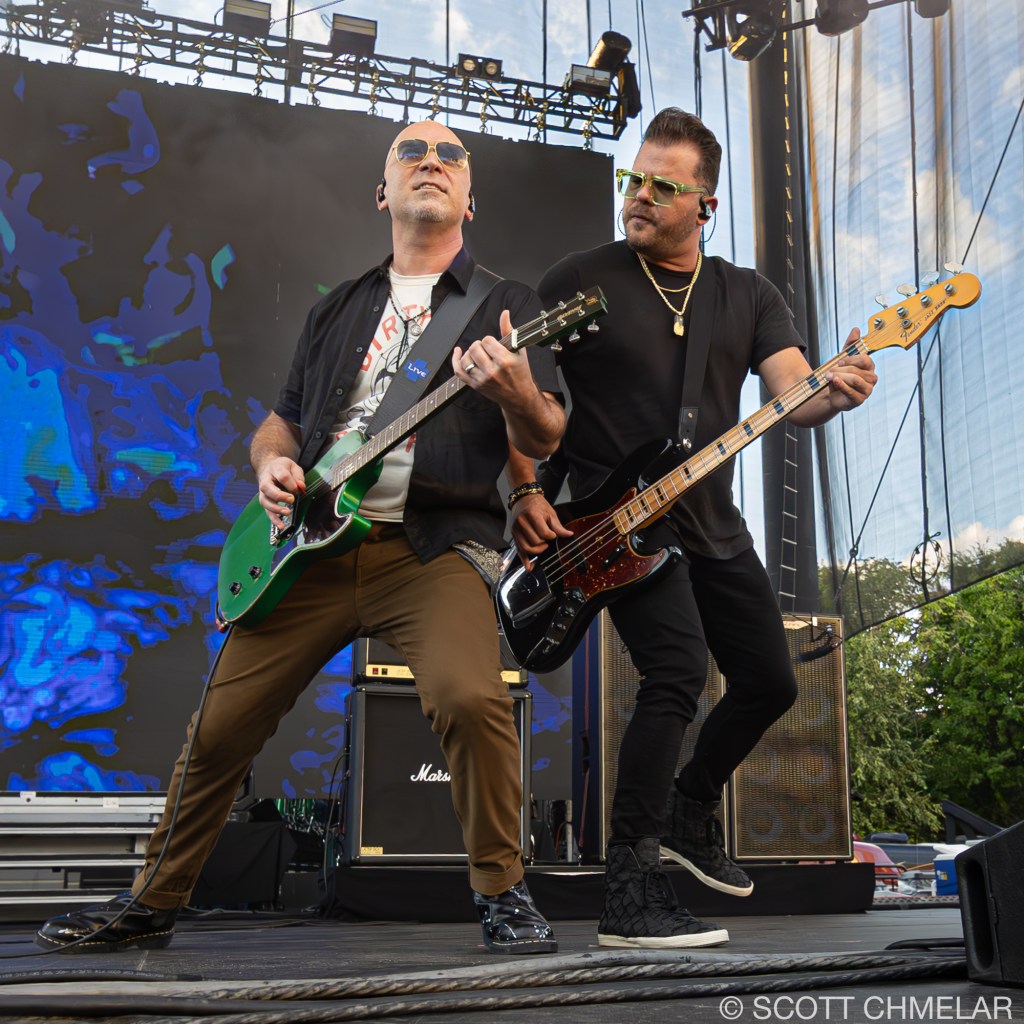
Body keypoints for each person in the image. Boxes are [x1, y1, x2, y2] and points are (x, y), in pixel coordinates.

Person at [37, 120, 565, 956]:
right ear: (383, 192)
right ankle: (152, 901)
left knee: (472, 700)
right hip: (308, 548)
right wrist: (272, 465)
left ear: (471, 198)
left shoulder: (509, 307)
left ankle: (502, 893)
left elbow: (545, 432)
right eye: (412, 152)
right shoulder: (337, 308)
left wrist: (515, 394)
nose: (432, 162)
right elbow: (280, 422)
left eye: (451, 155)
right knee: (219, 727)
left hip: (430, 547)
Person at [507, 108, 877, 949]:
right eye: (633, 179)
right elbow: (523, 397)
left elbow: (798, 393)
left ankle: (690, 807)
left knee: (770, 682)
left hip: (710, 517)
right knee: (676, 672)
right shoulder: (580, 278)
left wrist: (838, 387)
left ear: (705, 206)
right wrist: (523, 488)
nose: (638, 195)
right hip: (612, 525)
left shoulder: (747, 294)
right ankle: (629, 893)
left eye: (662, 186)